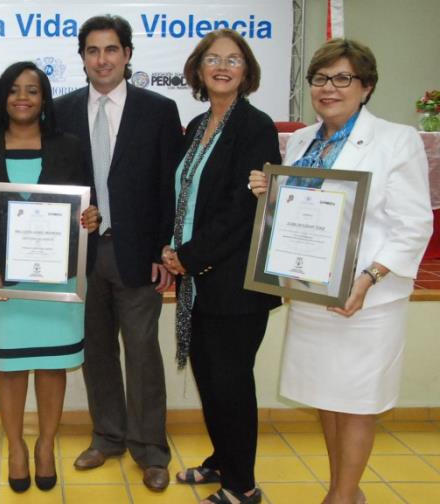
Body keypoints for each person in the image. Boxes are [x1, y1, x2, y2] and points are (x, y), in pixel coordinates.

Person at [249, 38, 433, 504]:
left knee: (357, 403)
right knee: (326, 398)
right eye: (321, 78)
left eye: (343, 78)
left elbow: (415, 224)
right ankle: (344, 491)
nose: (329, 88)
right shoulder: (303, 140)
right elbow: (296, 213)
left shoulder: (396, 140)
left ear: (366, 87)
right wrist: (267, 195)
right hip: (314, 295)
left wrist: (369, 277)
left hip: (365, 298)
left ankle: (341, 496)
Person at [0, 61, 99, 493]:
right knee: (13, 369)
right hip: (3, 283)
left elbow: (86, 207)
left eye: (32, 90)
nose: (23, 97)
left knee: (53, 367)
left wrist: (92, 217)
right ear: (2, 96)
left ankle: (46, 446)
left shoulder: (70, 146)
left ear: (43, 99)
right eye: (14, 89)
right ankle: (16, 446)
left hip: (59, 280)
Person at [53, 14, 183, 491]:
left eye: (111, 50)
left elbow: (170, 187)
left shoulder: (159, 110)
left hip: (138, 255)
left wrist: (162, 248)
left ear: (128, 55)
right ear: (82, 57)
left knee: (143, 353)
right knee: (97, 351)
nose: (102, 59)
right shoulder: (61, 110)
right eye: (92, 50)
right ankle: (107, 436)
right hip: (81, 256)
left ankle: (151, 449)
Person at [159, 29, 282, 504]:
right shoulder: (195, 126)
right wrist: (171, 249)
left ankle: (242, 485)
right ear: (198, 69)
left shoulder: (256, 127)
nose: (223, 66)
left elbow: (242, 208)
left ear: (246, 70)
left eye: (233, 59)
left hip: (234, 281)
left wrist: (187, 256)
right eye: (213, 59)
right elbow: (183, 199)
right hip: (197, 280)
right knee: (210, 377)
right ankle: (221, 460)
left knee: (231, 382)